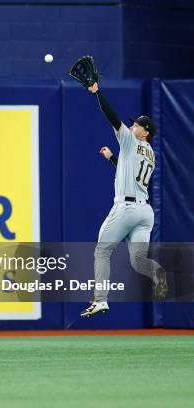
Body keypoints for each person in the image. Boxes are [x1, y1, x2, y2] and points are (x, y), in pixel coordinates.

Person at [81, 82, 168, 318]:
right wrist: (112, 159)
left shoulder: (131, 140)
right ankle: (158, 272)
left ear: (145, 132)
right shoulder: (151, 154)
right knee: (139, 261)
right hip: (144, 212)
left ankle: (100, 300)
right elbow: (133, 177)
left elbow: (112, 117)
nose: (132, 126)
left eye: (137, 124)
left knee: (102, 251)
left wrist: (96, 92)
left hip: (126, 209)